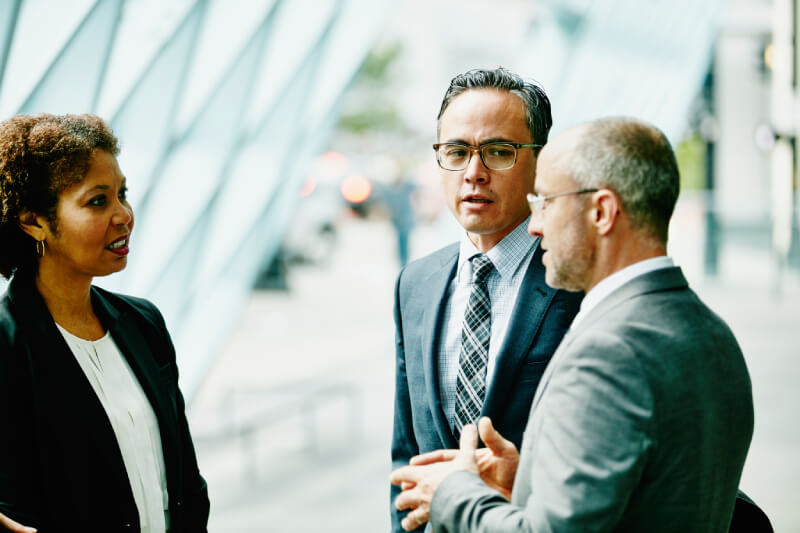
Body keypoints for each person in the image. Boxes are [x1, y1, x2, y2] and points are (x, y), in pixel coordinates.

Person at [390, 117, 754, 532]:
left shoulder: (608, 353)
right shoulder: (712, 333)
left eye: (545, 201)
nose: (535, 225)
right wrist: (526, 483)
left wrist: (454, 492)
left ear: (601, 212)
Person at [390, 68, 581, 532]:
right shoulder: (415, 284)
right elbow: (406, 454)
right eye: (456, 152)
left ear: (540, 162)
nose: (474, 173)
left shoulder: (577, 279)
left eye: (498, 152)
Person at [0, 114, 209, 532]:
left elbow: (186, 479)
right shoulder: (7, 347)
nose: (124, 215)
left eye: (122, 194)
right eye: (98, 201)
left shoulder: (143, 323)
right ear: (33, 221)